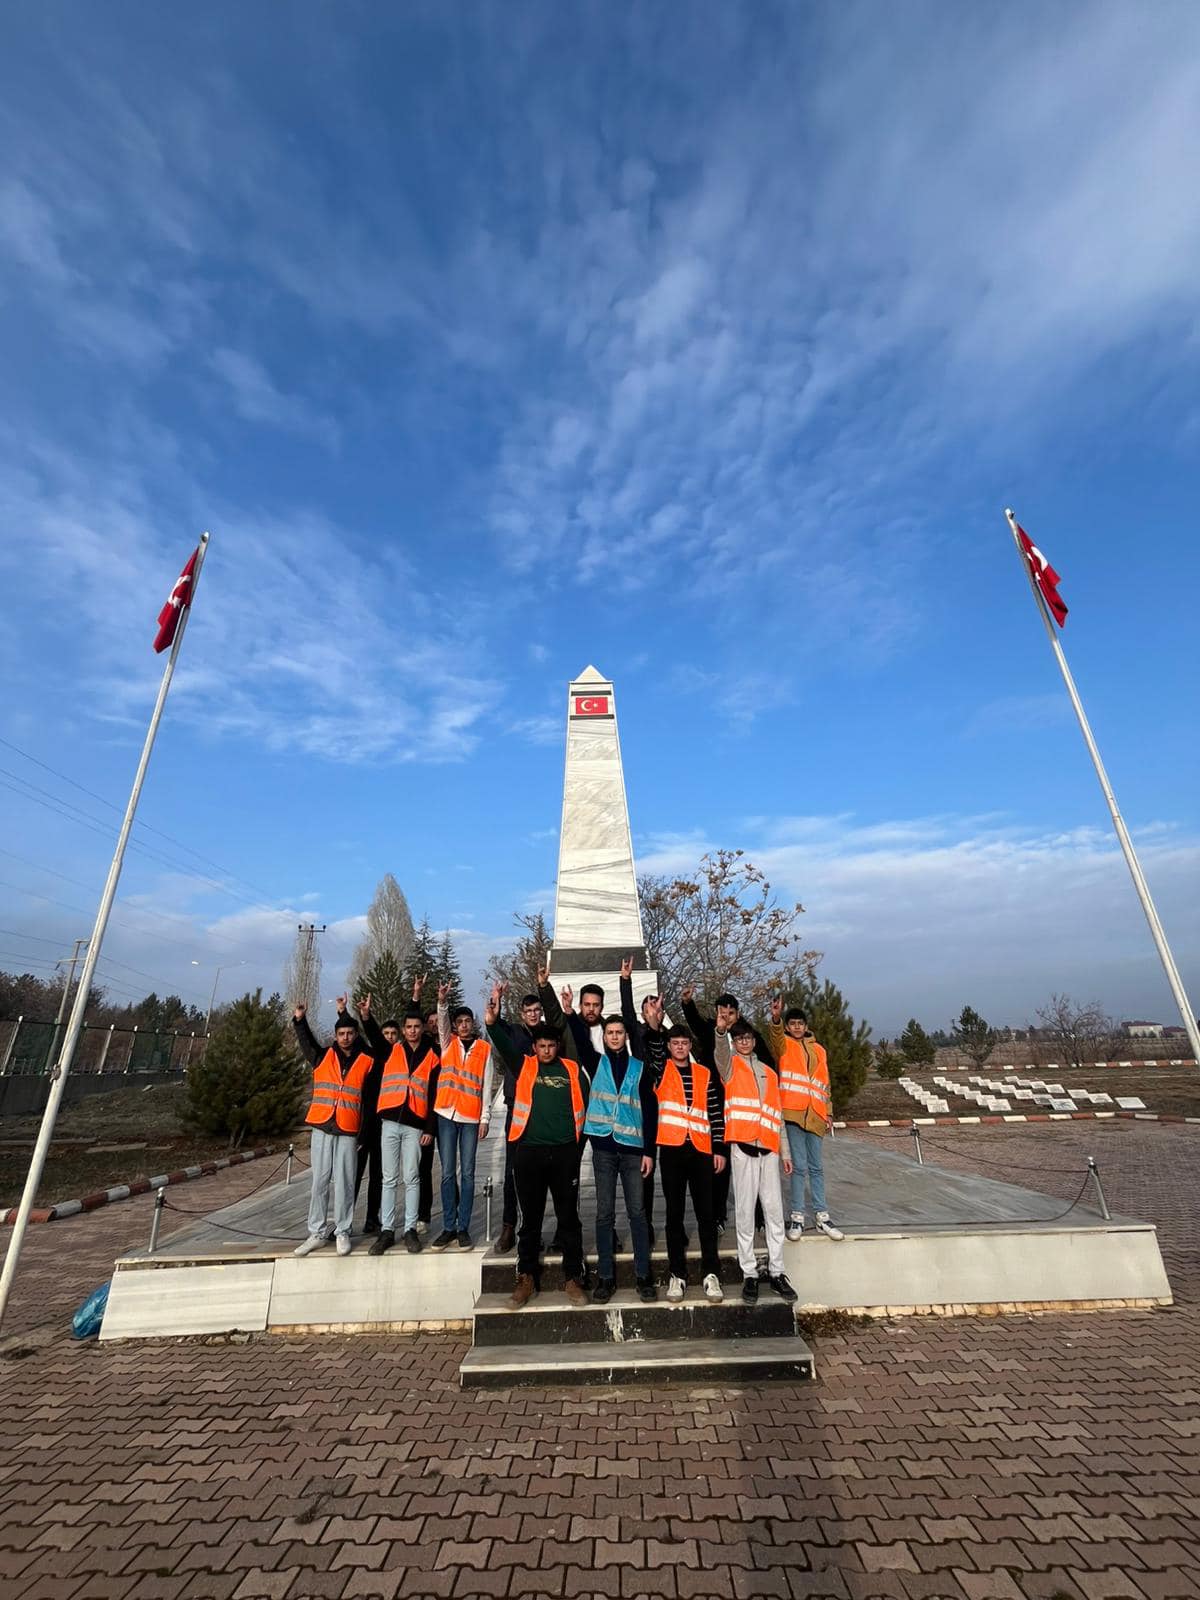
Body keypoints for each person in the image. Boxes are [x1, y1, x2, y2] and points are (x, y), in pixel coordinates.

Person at [486, 1009, 590, 1310]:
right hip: (529, 1153)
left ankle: (573, 1276)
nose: (546, 1050)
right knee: (530, 1220)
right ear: (535, 1047)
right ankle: (526, 1276)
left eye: (551, 1045)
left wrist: (575, 1148)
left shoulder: (571, 1070)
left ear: (558, 1046)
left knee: (569, 1217)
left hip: (564, 1154)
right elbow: (504, 1045)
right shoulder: (524, 1066)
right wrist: (492, 1023)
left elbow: (585, 1106)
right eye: (541, 1046)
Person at [714, 1018, 798, 1304]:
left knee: (774, 1212)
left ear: (753, 1040)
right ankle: (749, 1273)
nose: (744, 1043)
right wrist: (720, 1031)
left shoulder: (768, 1073)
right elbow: (720, 1054)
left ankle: (777, 1271)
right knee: (746, 1213)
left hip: (769, 1151)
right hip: (742, 1148)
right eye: (739, 1039)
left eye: (748, 1038)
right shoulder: (729, 1067)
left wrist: (785, 1153)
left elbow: (779, 1117)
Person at [680, 985, 775, 1233]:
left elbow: (768, 1066)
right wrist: (687, 1003)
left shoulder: (750, 1035)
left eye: (731, 1013)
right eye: (722, 1012)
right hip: (717, 1108)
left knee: (752, 1168)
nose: (727, 1017)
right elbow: (695, 1023)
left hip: (746, 1112)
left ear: (738, 1013)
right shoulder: (713, 1031)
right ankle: (718, 1217)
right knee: (720, 1166)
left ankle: (759, 1218)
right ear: (717, 1012)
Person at [581, 1012, 658, 1303]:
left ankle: (643, 1275)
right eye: (609, 1032)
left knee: (637, 1213)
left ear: (626, 1036)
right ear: (603, 1036)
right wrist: (565, 1009)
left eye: (619, 1032)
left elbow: (650, 1112)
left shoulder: (640, 1068)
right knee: (604, 1214)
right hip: (603, 1149)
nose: (614, 1036)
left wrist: (649, 1151)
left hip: (632, 1151)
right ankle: (605, 1277)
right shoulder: (595, 1062)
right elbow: (578, 1035)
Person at [485, 970, 561, 1252]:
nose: (533, 1014)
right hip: (517, 1105)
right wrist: (497, 999)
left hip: (541, 1107)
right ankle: (508, 1226)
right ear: (521, 1012)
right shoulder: (513, 1032)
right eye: (528, 1010)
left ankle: (534, 1227)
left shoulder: (546, 1035)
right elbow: (494, 1023)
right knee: (512, 1168)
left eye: (536, 1010)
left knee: (539, 1172)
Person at [292, 1000, 374, 1257]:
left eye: (350, 1033)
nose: (345, 1037)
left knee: (346, 1183)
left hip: (349, 1129)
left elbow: (369, 1100)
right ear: (335, 1036)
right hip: (323, 1125)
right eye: (341, 1034)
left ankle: (342, 1231)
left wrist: (346, 1013)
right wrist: (300, 1019)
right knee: (320, 1182)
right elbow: (306, 1043)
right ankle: (316, 1231)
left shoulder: (366, 1060)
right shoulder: (322, 1055)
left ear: (356, 1035)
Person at [357, 999, 438, 1256]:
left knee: (412, 1177)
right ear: (403, 1030)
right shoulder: (390, 1051)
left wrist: (429, 1128)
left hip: (415, 1124)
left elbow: (434, 1094)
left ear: (423, 1028)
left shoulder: (432, 1055)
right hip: (390, 1122)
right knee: (388, 1178)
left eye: (417, 1026)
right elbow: (374, 1036)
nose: (413, 1031)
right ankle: (388, 1230)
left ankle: (410, 1229)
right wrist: (367, 1016)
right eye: (409, 1027)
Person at [655, 1023, 727, 1304]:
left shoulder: (703, 1074)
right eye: (675, 1043)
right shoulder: (661, 1071)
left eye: (684, 1043)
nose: (680, 1047)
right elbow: (649, 1046)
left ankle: (711, 1274)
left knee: (706, 1215)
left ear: (689, 1046)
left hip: (700, 1150)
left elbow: (715, 1113)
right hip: (672, 1150)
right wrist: (654, 1021)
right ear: (670, 1046)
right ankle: (678, 1275)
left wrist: (718, 1149)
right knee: (674, 1215)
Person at [765, 999, 844, 1242]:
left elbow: (825, 1083)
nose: (797, 1027)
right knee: (799, 1167)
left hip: (816, 1115)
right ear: (788, 1027)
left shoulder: (819, 1050)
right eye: (793, 1024)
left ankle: (822, 1215)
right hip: (793, 1114)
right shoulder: (784, 1045)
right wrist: (776, 1019)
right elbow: (776, 1037)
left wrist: (828, 1111)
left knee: (817, 1167)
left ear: (806, 1025)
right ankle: (797, 1216)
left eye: (800, 1024)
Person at [431, 983, 495, 1250]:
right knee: (447, 1174)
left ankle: (463, 1227)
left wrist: (485, 1118)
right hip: (446, 1113)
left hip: (469, 1117)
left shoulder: (483, 1049)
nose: (465, 1025)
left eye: (468, 1021)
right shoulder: (448, 1044)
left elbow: (487, 1084)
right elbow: (442, 1023)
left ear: (473, 1024)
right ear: (455, 1026)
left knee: (467, 1175)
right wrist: (442, 1000)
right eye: (461, 1022)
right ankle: (448, 1226)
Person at [618, 959, 670, 1244]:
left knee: (672, 1173)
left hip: (671, 1112)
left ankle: (672, 1225)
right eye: (650, 1008)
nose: (655, 1012)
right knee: (645, 1169)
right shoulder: (638, 1033)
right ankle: (645, 1223)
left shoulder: (672, 1037)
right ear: (642, 1013)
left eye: (659, 1008)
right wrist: (625, 981)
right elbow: (626, 1013)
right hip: (644, 1111)